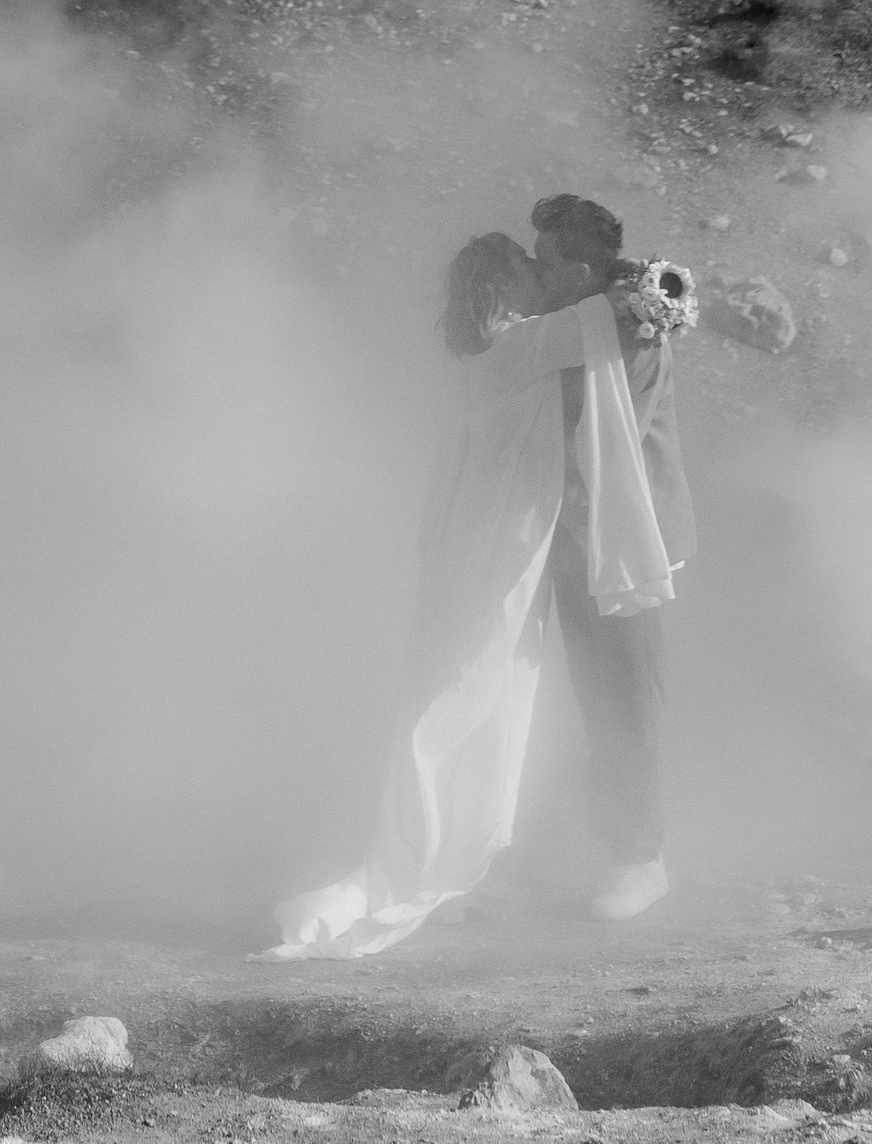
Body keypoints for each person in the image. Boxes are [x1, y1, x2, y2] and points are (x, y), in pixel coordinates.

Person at [268, 230, 674, 960]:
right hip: (507, 546)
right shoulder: (517, 344)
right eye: (525, 263)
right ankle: (435, 860)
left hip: (503, 539)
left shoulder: (494, 344)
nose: (535, 268)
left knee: (491, 699)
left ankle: (466, 861)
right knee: (469, 696)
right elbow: (607, 315)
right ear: (498, 283)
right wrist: (653, 287)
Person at [530, 193, 697, 922]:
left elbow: (588, 423)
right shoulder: (591, 319)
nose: (539, 276)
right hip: (581, 535)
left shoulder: (627, 327)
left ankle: (642, 858)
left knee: (627, 697)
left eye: (546, 263)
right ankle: (608, 845)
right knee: (595, 693)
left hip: (629, 539)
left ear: (580, 266)